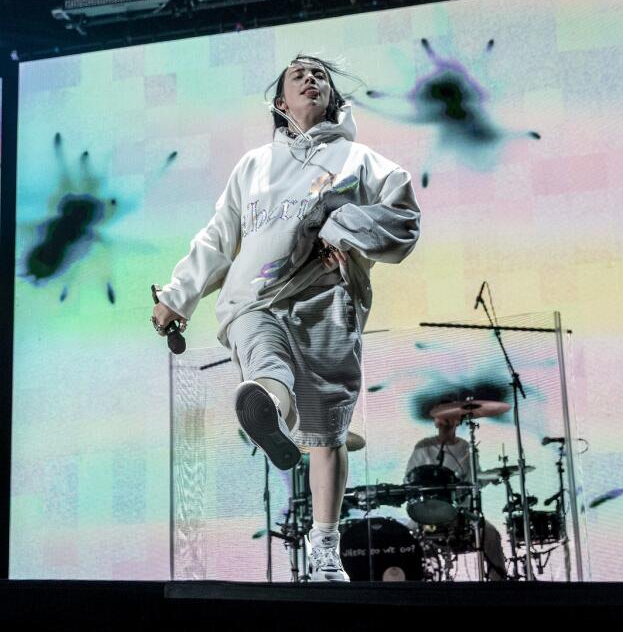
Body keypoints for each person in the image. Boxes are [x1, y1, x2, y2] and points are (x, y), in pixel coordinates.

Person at [151, 55, 421, 582]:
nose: (310, 78)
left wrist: (344, 226)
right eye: (297, 74)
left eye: (320, 74)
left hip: (328, 300)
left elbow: (405, 219)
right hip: (256, 295)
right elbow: (218, 236)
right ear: (280, 102)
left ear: (333, 98)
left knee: (327, 432)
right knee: (263, 359)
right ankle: (266, 408)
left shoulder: (363, 162)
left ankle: (325, 550)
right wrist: (177, 296)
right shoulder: (253, 166)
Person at [404, 410, 508, 580]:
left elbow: (475, 480)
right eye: (441, 415)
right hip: (426, 512)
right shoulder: (423, 446)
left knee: (491, 534)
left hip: (460, 513)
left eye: (450, 415)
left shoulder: (466, 447)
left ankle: (499, 587)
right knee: (404, 536)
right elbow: (408, 480)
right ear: (435, 421)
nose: (445, 420)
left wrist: (491, 478)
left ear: (458, 420)